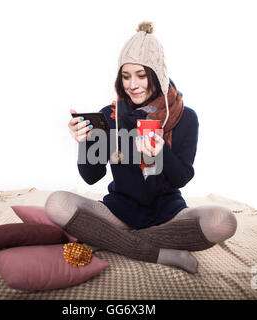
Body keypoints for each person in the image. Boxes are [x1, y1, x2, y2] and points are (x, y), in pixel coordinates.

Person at [44, 21, 237, 274]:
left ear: (157, 74)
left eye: (141, 75)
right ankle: (158, 252)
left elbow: (181, 178)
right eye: (125, 77)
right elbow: (92, 177)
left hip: (168, 215)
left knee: (223, 221)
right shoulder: (110, 115)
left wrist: (161, 153)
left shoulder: (185, 117)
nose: (132, 85)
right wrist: (86, 143)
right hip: (118, 213)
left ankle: (109, 240)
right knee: (56, 203)